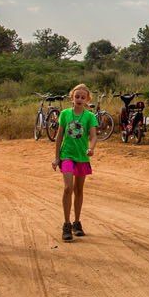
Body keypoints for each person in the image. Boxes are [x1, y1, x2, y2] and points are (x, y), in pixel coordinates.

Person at [51, 83, 98, 242]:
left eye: (82, 97)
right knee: (68, 188)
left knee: (79, 189)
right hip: (67, 156)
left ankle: (77, 222)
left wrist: (91, 148)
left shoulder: (90, 117)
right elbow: (59, 137)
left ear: (87, 99)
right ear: (72, 97)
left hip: (82, 157)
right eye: (77, 96)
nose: (79, 99)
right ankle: (66, 224)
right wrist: (57, 157)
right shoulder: (64, 114)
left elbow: (93, 136)